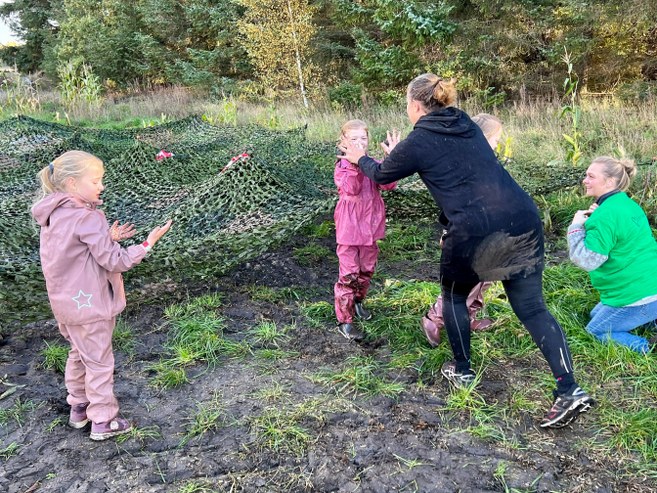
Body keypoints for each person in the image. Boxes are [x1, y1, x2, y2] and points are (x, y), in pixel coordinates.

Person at [338, 73, 594, 429]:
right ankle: (569, 389)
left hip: (475, 230)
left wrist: (359, 156)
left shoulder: (420, 138)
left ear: (415, 105)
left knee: (454, 297)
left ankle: (462, 371)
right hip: (522, 218)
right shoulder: (464, 122)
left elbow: (381, 175)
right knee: (533, 308)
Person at [31, 150, 172, 441]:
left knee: (79, 354)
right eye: (95, 181)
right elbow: (114, 261)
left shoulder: (54, 214)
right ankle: (104, 420)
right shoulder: (88, 217)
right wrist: (146, 244)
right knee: (99, 363)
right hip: (92, 305)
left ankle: (79, 408)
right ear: (72, 183)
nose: (101, 186)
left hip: (65, 305)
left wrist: (107, 237)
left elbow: (72, 251)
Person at [420, 113, 503, 346]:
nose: (497, 145)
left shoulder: (486, 162)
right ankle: (434, 318)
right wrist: (448, 232)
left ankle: (468, 316)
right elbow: (451, 203)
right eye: (495, 139)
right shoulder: (464, 165)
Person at [568, 156, 657, 354]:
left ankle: (647, 346)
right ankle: (652, 318)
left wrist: (576, 226)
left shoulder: (605, 215)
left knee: (596, 330)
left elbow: (586, 260)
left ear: (609, 182)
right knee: (595, 314)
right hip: (651, 282)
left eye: (591, 176)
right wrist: (598, 216)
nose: (585, 180)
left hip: (638, 294)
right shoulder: (625, 203)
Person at [334, 119, 397, 341]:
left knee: (366, 270)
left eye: (363, 138)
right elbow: (351, 188)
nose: (359, 143)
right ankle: (345, 320)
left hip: (370, 229)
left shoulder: (372, 164)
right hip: (350, 231)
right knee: (349, 274)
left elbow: (388, 185)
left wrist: (390, 161)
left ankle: (358, 302)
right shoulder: (343, 167)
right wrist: (355, 164)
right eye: (353, 139)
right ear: (343, 142)